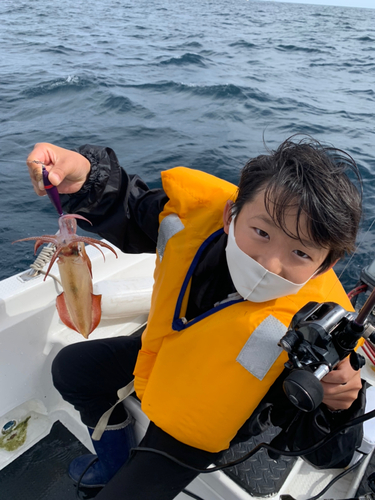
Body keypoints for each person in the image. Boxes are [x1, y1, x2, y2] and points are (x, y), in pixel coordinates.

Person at [26, 137, 365, 499]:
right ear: (229, 214)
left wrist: (341, 406)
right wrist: (85, 179)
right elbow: (133, 205)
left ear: (325, 265)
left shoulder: (317, 330)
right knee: (71, 369)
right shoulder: (194, 225)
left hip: (203, 419)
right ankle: (112, 462)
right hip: (167, 358)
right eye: (261, 232)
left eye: (299, 252)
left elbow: (330, 453)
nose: (270, 263)